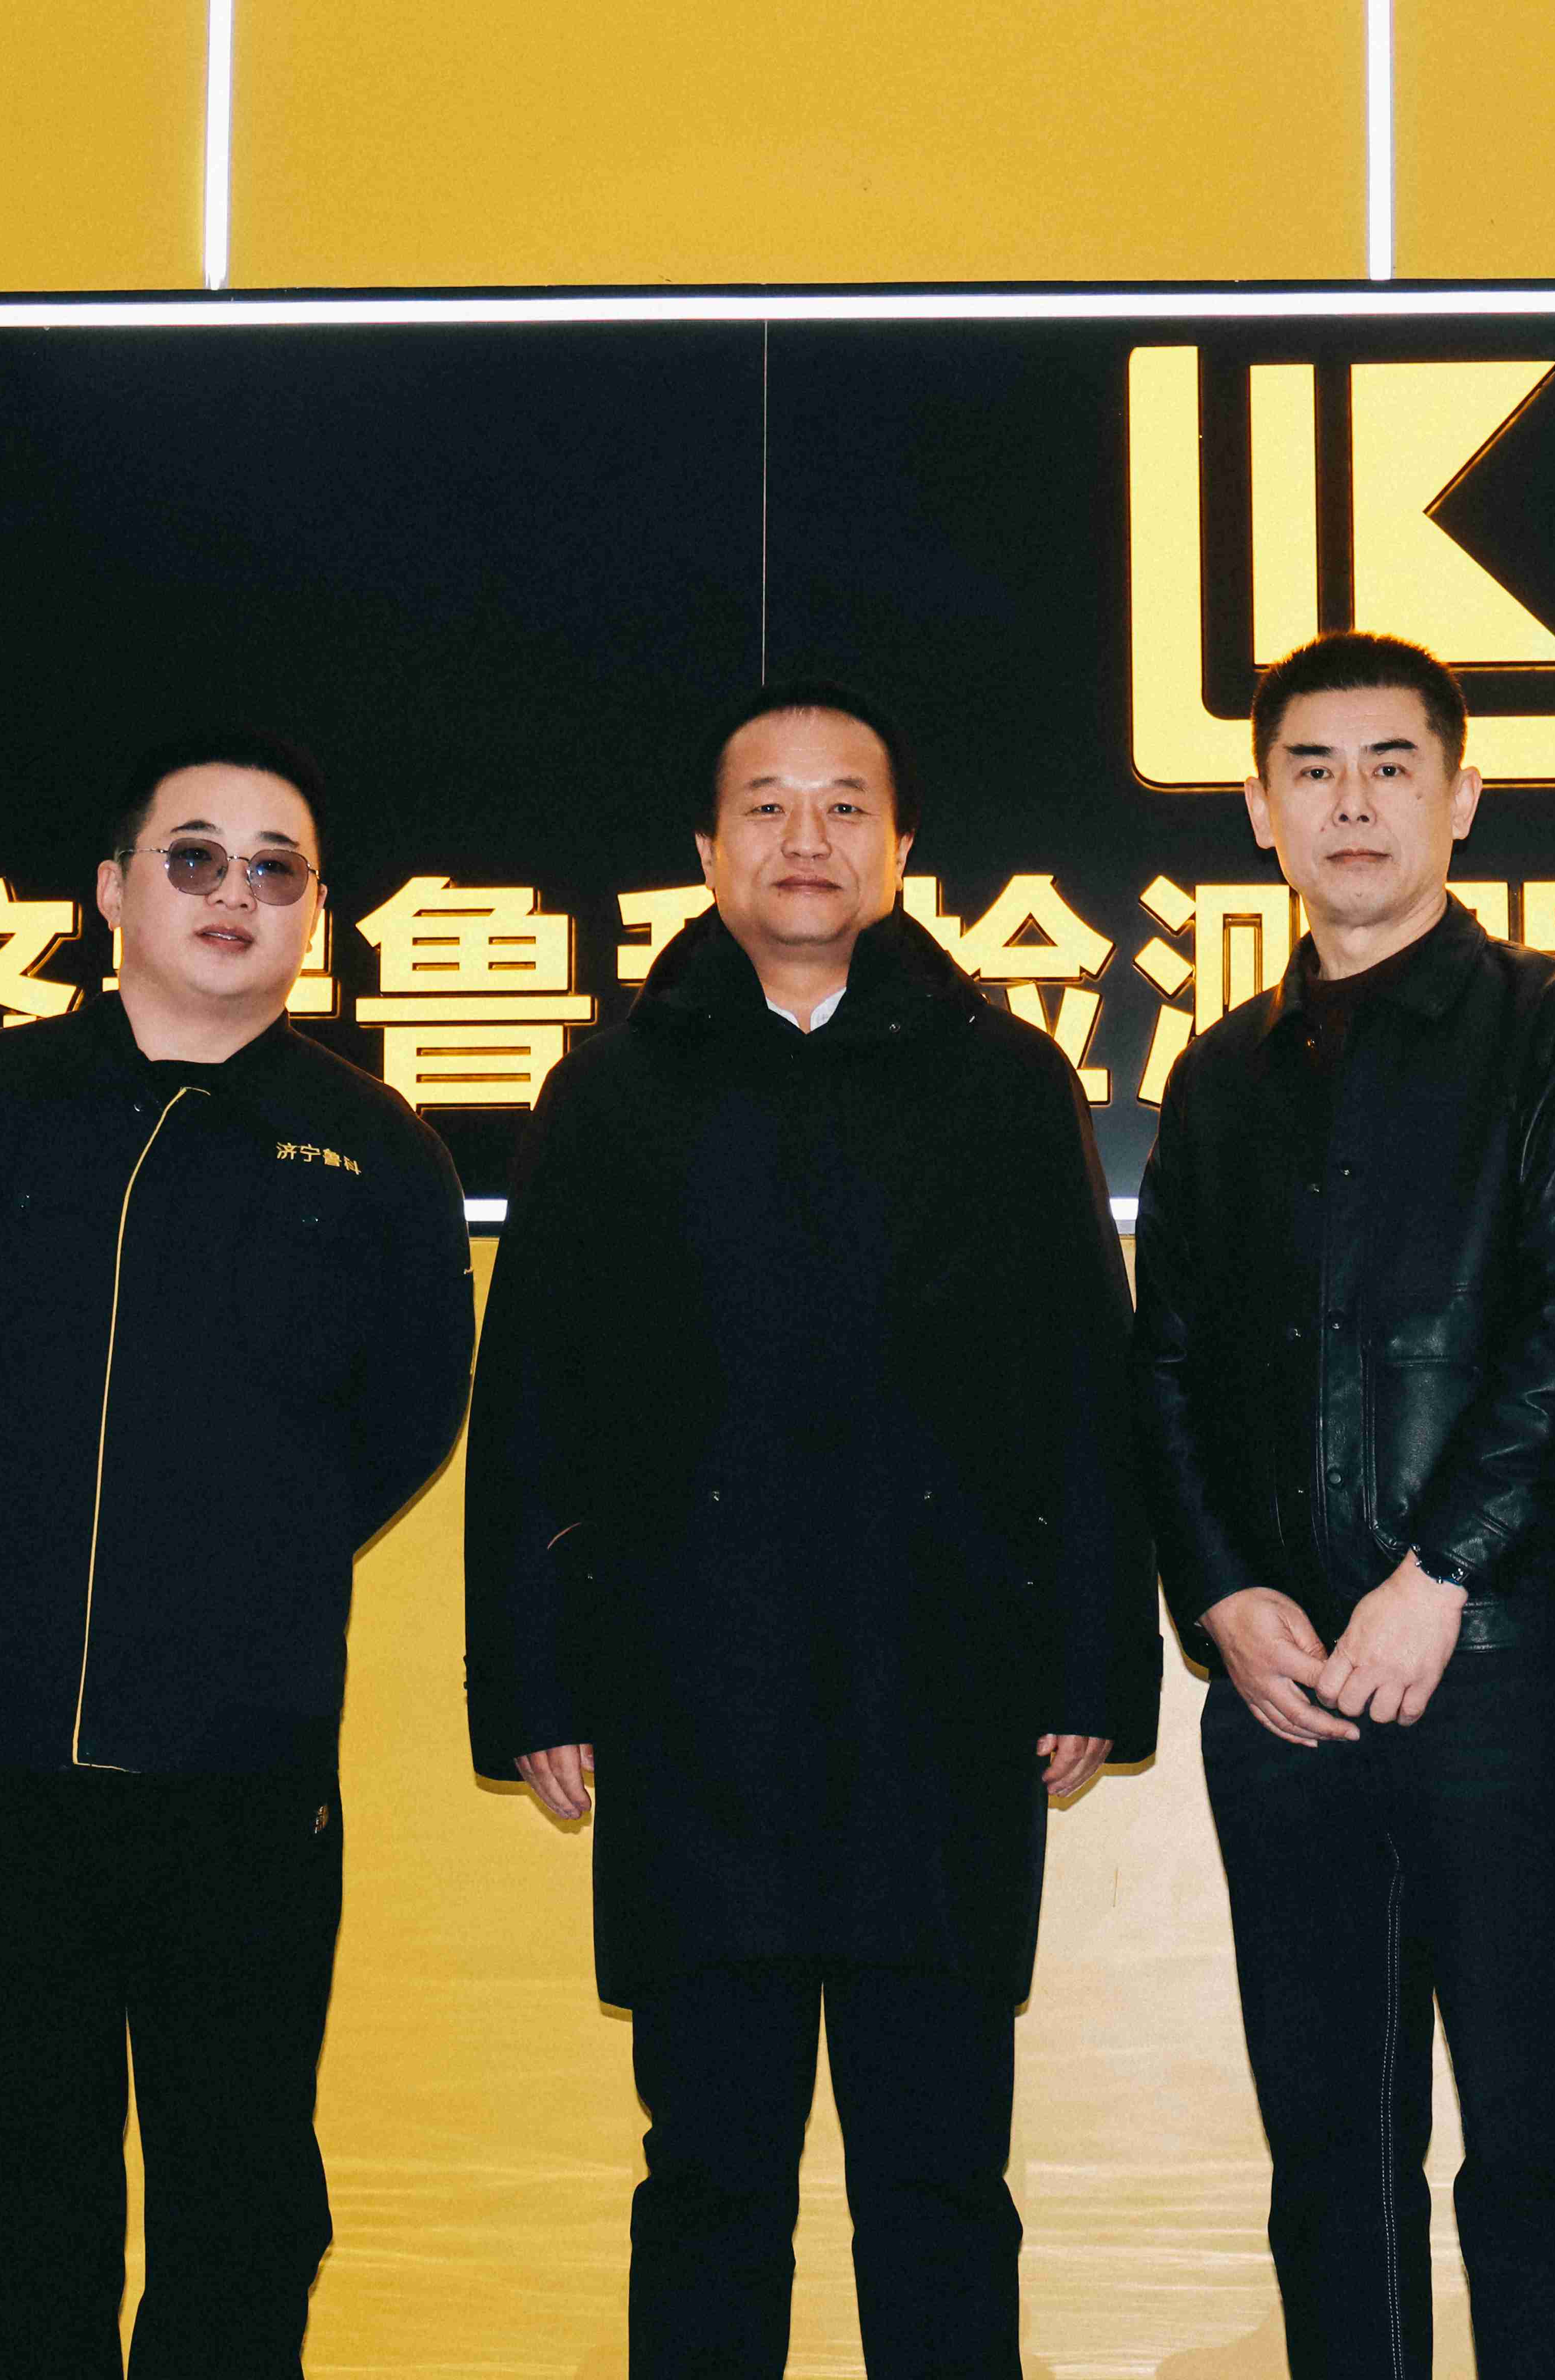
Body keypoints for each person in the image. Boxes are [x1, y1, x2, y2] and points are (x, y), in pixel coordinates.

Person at [464, 681, 1160, 2380]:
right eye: (767, 806)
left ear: (901, 851)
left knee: (941, 2181)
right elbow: (533, 1400)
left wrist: (1091, 1660)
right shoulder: (610, 1089)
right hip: (691, 1707)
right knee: (709, 2181)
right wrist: (539, 1685)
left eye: (846, 805)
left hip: (946, 1705)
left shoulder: (1009, 1083)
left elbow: (1090, 1382)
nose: (807, 838)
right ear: (708, 853)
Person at [0, 730, 476, 2377]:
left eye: (276, 868)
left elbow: (408, 1415)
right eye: (195, 856)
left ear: (316, 914)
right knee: (18, 2213)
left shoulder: (375, 1151)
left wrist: (251, 1565)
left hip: (243, 1778)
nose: (235, 892)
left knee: (243, 2215)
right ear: (112, 891)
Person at [1132, 630, 1555, 2380]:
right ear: (1260, 809)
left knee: (1537, 2138)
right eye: (1313, 768)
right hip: (1281, 1693)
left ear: (1462, 795)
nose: (1351, 802)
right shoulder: (1219, 1078)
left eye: (1390, 765)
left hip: (1499, 1667)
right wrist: (1224, 1597)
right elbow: (1164, 1363)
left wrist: (1444, 1570)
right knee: (1331, 2161)